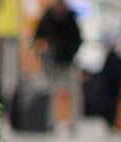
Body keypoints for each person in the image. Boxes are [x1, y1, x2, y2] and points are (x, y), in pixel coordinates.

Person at [34, 0, 84, 132]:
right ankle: (49, 121)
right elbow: (37, 39)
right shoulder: (47, 19)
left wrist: (70, 52)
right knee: (50, 93)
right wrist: (44, 49)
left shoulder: (71, 20)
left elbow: (78, 40)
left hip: (68, 62)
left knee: (74, 93)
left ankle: (74, 122)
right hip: (52, 63)